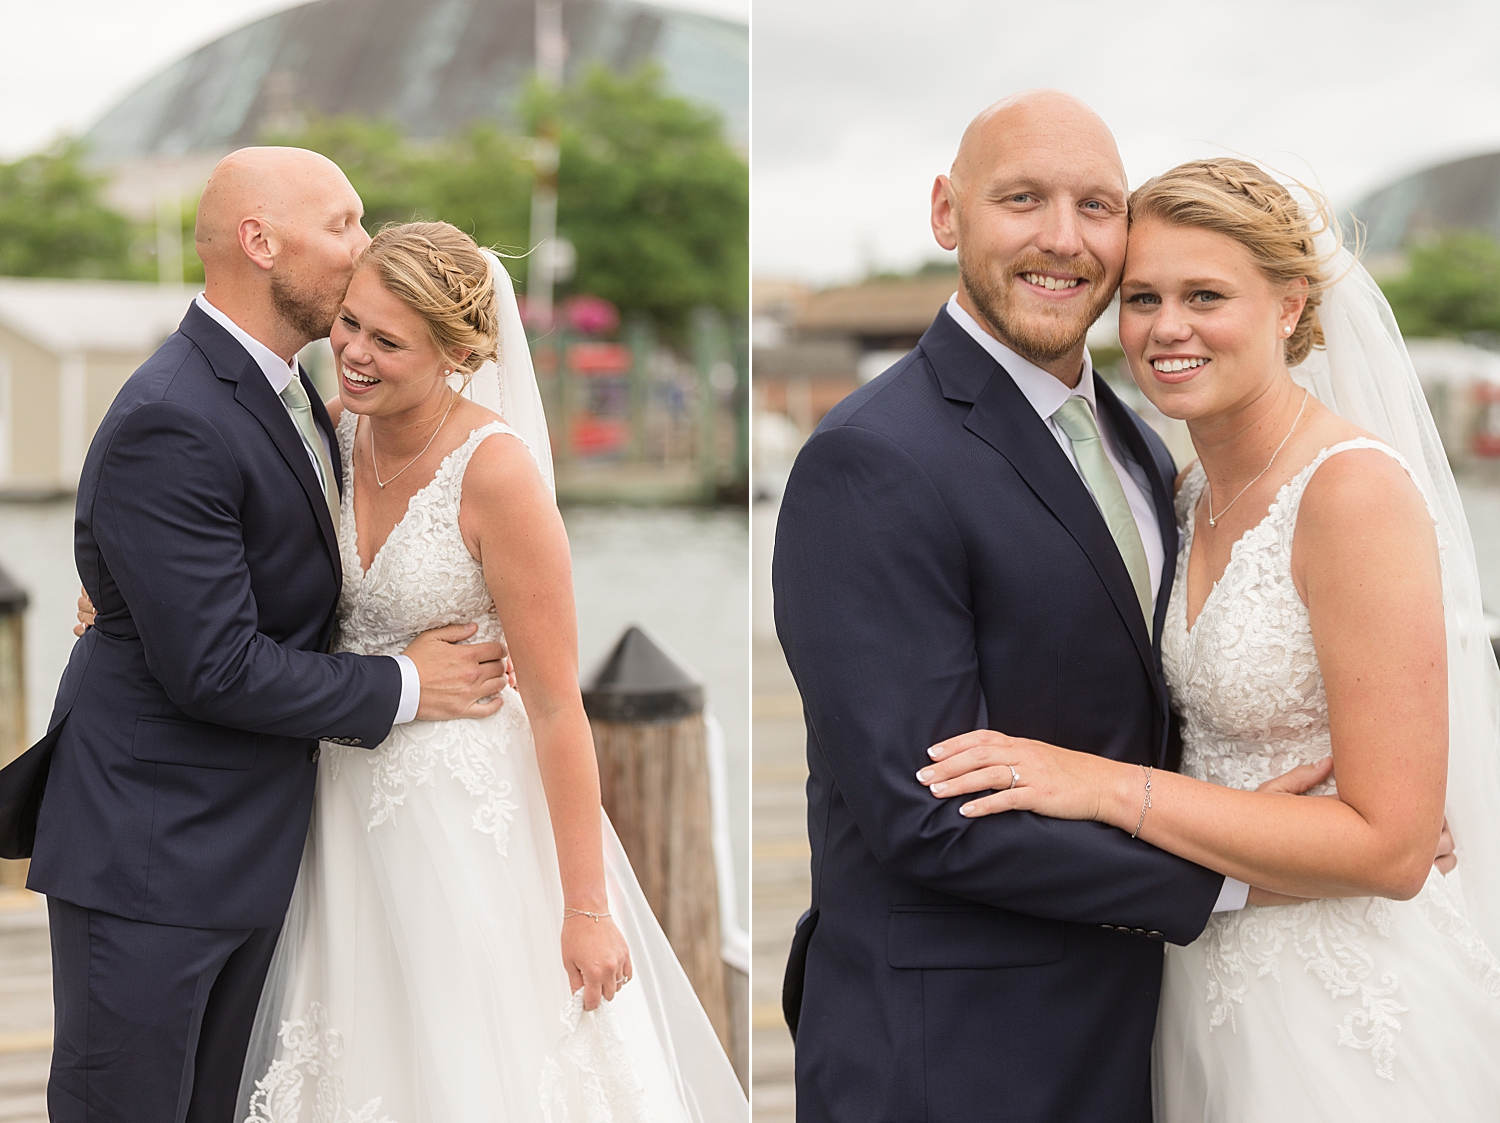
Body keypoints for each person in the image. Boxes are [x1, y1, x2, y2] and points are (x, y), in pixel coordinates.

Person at [919, 159, 1500, 1119]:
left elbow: (1394, 847)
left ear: (1288, 306)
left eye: (1205, 295)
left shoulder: (1352, 494)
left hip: (1341, 994)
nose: (1165, 328)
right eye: (1141, 297)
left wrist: (1104, 787)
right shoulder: (1177, 488)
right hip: (1200, 969)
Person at [773, 90, 1260, 1123]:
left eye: (1097, 205)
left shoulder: (1134, 436)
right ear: (948, 213)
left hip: (1141, 1032)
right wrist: (1245, 875)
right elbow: (928, 815)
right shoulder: (872, 459)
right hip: (951, 1054)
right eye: (1023, 199)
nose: (1063, 239)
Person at [0, 147, 512, 1122]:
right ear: (260, 240)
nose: (365, 246)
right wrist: (407, 683)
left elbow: (280, 576)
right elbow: (215, 666)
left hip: (248, 850)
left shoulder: (296, 394)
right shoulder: (175, 415)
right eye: (344, 224)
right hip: (153, 858)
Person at [232, 221, 745, 1122]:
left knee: (474, 1066)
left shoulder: (497, 473)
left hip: (462, 820)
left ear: (460, 352)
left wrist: (586, 907)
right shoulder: (330, 432)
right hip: (340, 808)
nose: (350, 353)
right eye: (349, 323)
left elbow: (555, 707)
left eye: (387, 342)